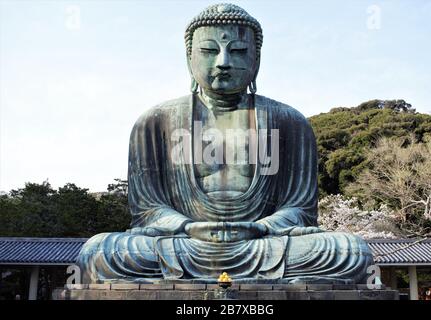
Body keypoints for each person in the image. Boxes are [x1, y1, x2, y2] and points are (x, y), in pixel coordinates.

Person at [77, 3, 373, 284]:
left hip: (264, 244)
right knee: (101, 251)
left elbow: (300, 208)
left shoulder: (289, 121)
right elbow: (148, 210)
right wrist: (187, 227)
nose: (223, 62)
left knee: (349, 251)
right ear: (189, 57)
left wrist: (263, 226)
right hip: (184, 244)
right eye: (208, 50)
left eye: (239, 51)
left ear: (256, 59)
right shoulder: (155, 122)